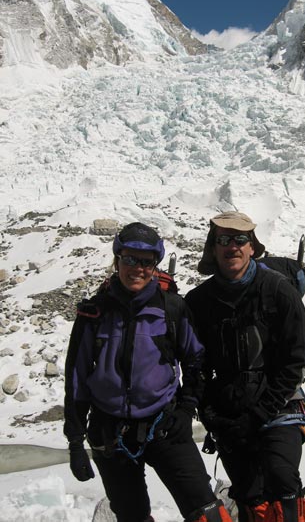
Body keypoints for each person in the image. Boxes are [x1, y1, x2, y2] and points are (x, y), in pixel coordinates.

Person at [64, 221, 232, 522]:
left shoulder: (171, 309)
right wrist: (75, 440)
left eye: (146, 262)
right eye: (130, 259)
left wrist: (184, 410)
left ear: (155, 265)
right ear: (117, 260)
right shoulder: (94, 313)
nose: (137, 269)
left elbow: (197, 362)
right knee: (132, 516)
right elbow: (76, 378)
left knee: (205, 511)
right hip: (110, 434)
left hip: (164, 425)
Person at [185, 211, 305, 522]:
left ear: (252, 247)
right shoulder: (199, 301)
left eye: (240, 239)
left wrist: (261, 411)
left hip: (280, 407)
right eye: (223, 240)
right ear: (213, 249)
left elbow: (296, 359)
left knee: (281, 478)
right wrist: (209, 410)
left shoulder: (279, 291)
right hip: (231, 413)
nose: (232, 246)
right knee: (248, 491)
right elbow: (195, 363)